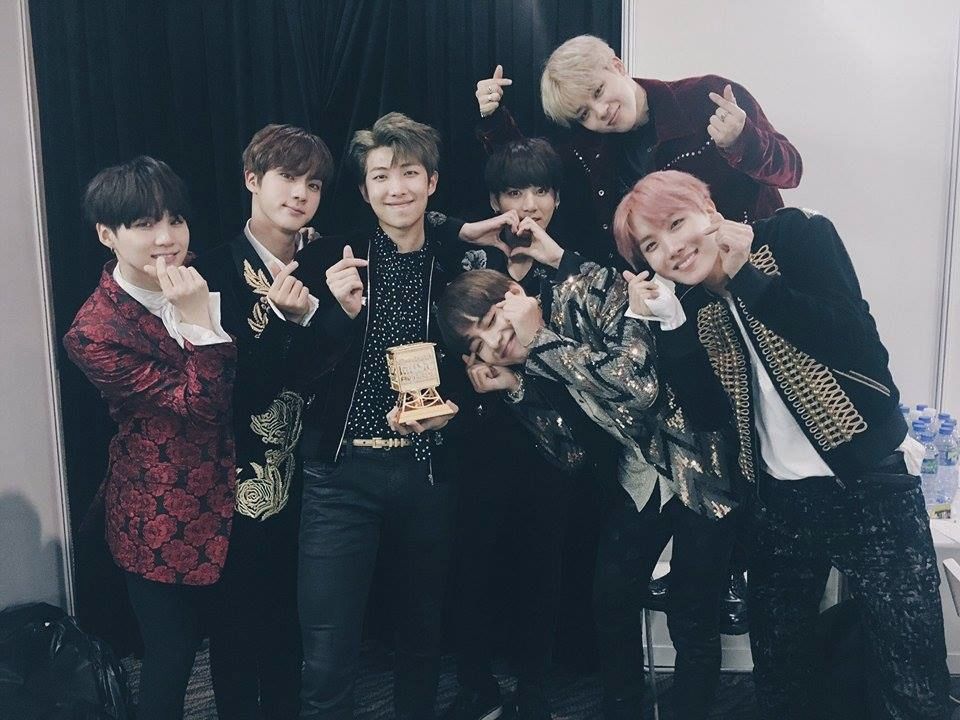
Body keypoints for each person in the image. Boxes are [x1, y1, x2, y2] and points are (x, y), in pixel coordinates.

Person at [613, 169, 950, 719]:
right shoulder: (690, 304)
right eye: (650, 245)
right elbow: (710, 418)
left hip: (871, 484)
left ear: (707, 209)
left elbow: (856, 345)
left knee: (910, 669)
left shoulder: (795, 236)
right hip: (779, 503)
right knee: (780, 671)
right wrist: (671, 329)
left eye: (676, 224)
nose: (671, 249)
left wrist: (747, 279)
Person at [436, 225, 742, 719]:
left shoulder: (585, 291)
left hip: (701, 469)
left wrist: (541, 343)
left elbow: (637, 387)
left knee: (692, 614)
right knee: (611, 602)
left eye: (494, 319)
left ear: (514, 292)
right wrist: (515, 390)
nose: (497, 339)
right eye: (479, 343)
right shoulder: (529, 361)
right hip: (638, 479)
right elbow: (572, 455)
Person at [292, 112, 508, 720]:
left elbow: (488, 366)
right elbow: (294, 371)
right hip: (340, 476)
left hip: (427, 472)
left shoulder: (463, 265)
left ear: (432, 182)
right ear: (364, 191)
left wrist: (454, 413)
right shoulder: (331, 261)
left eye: (410, 173)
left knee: (422, 634)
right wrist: (335, 315)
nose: (397, 188)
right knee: (327, 646)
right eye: (381, 176)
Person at [63, 156, 236, 720]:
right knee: (172, 653)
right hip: (160, 507)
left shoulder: (205, 274)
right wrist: (200, 324)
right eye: (143, 224)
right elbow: (199, 407)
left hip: (244, 492)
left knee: (244, 639)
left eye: (175, 219)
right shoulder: (93, 331)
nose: (166, 238)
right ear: (106, 235)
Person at [192, 124, 335, 720]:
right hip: (238, 468)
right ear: (253, 179)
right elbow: (230, 387)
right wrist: (285, 322)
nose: (300, 194)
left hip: (315, 470)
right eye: (287, 178)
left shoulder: (328, 264)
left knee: (294, 617)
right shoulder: (213, 273)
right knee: (236, 619)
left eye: (313, 184)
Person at [443, 137, 584, 720]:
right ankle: (476, 686)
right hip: (475, 439)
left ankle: (534, 691)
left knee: (541, 570)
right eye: (514, 191)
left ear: (557, 197)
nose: (529, 204)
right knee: (471, 566)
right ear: (494, 200)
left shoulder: (570, 268)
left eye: (541, 190)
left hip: (550, 441)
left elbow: (584, 368)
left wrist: (520, 381)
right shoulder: (468, 259)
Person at [475, 34, 802, 266]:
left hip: (759, 262)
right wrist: (494, 120)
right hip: (687, 295)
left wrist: (741, 141)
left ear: (617, 66)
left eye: (598, 91)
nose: (601, 111)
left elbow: (791, 172)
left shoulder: (705, 97)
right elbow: (531, 170)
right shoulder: (592, 149)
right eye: (584, 114)